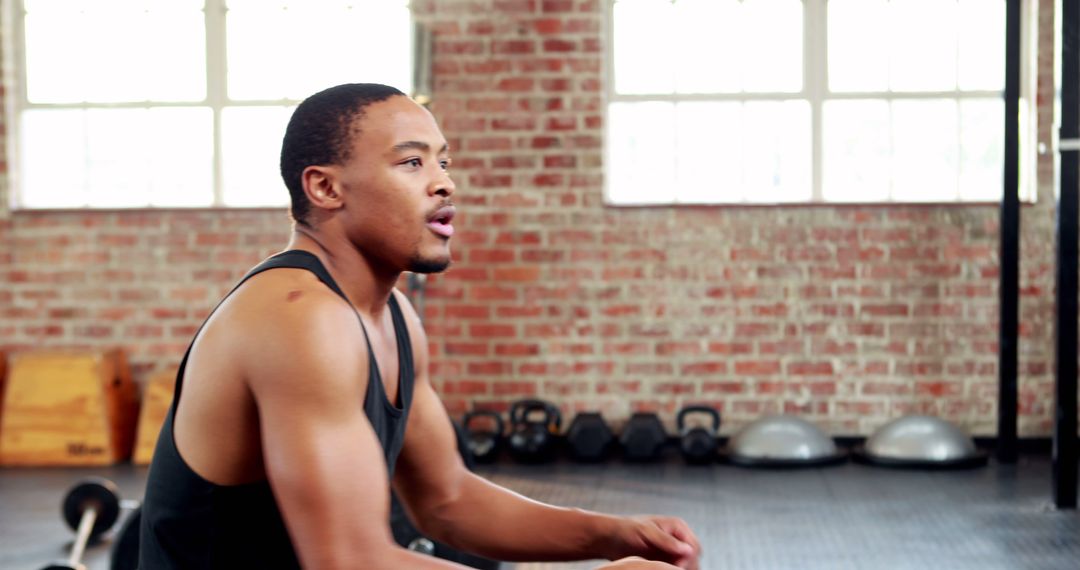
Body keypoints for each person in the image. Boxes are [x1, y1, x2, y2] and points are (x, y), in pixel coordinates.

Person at [139, 83, 701, 569]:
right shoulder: (298, 317)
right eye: (412, 163)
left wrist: (613, 534)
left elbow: (447, 500)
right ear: (325, 188)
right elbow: (348, 562)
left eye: (443, 162)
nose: (444, 184)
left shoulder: (395, 318)